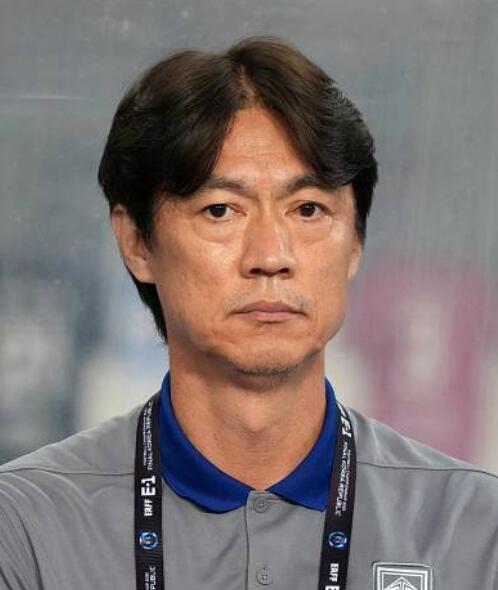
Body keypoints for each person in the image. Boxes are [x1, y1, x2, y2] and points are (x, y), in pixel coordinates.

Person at [0, 35, 497, 590]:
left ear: (356, 242)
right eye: (221, 210)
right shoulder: (25, 527)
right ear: (137, 242)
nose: (270, 256)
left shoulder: (472, 527)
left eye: (308, 209)